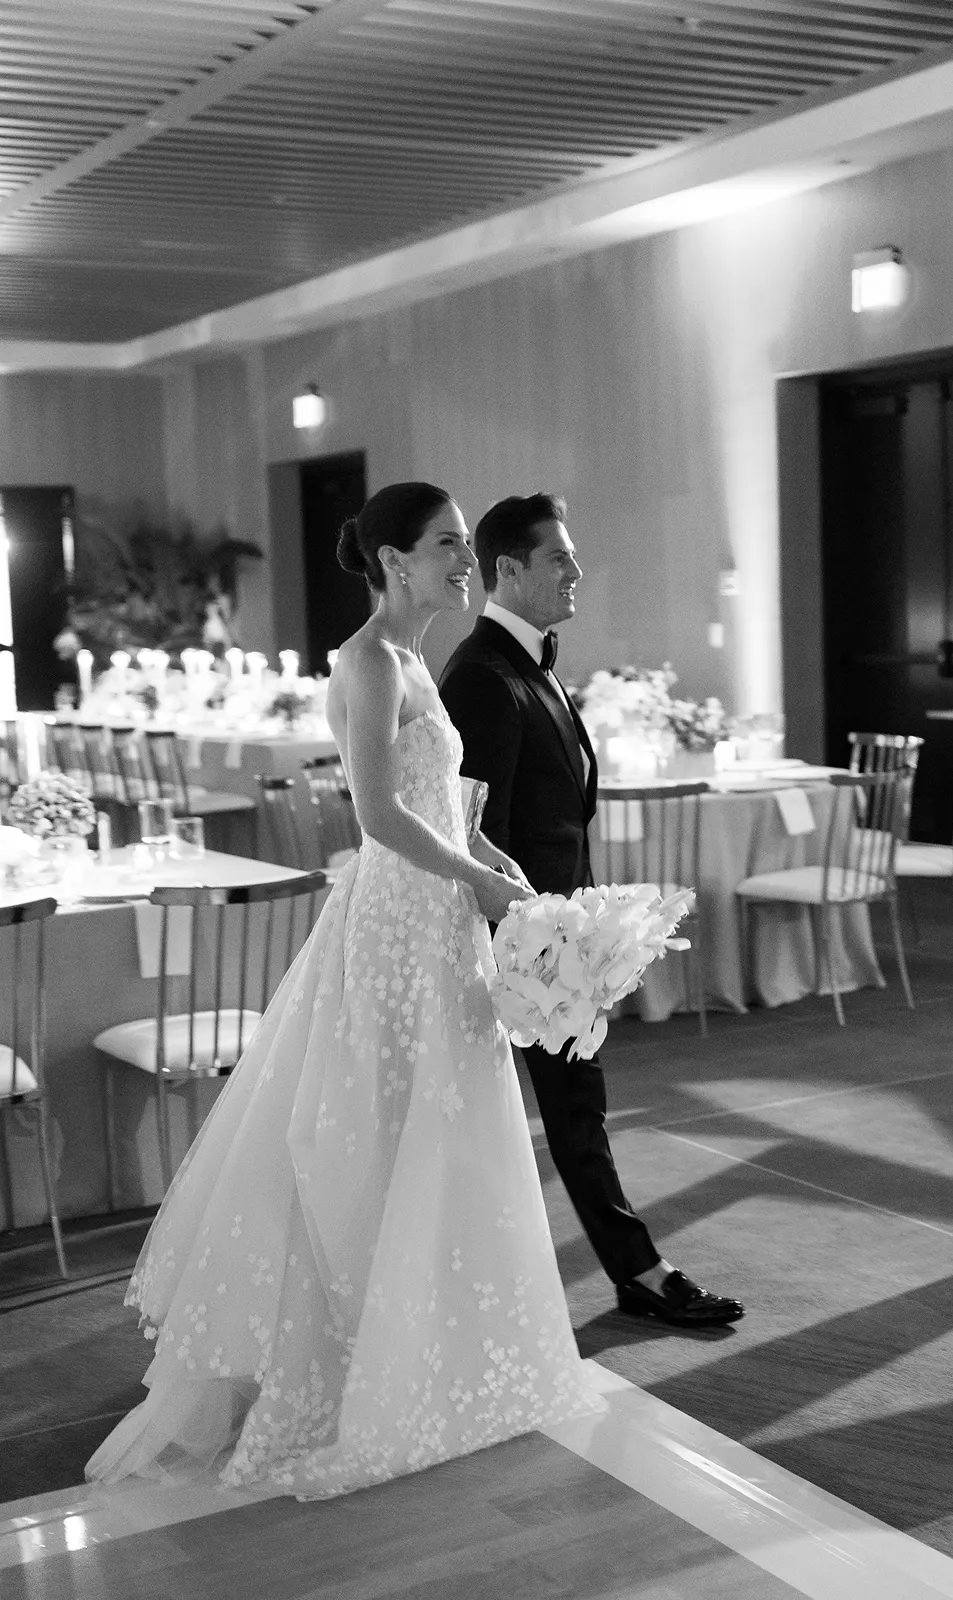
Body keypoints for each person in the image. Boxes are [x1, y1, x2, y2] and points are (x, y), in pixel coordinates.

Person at [86, 482, 602, 1499]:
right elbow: (376, 816)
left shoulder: (417, 661)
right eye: (448, 545)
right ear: (393, 561)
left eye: (464, 544)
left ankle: (444, 1345)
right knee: (378, 1131)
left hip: (441, 919)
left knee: (449, 1131)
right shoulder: (368, 661)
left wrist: (514, 884)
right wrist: (478, 880)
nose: (465, 560)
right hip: (392, 930)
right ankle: (367, 1355)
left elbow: (448, 812)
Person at [439, 493, 744, 1329]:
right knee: (564, 1113)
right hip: (523, 941)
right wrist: (538, 943)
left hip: (556, 927)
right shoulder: (480, 677)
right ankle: (636, 1274)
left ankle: (631, 1271)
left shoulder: (529, 664)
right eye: (558, 559)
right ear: (508, 569)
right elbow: (475, 833)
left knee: (576, 1112)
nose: (576, 572)